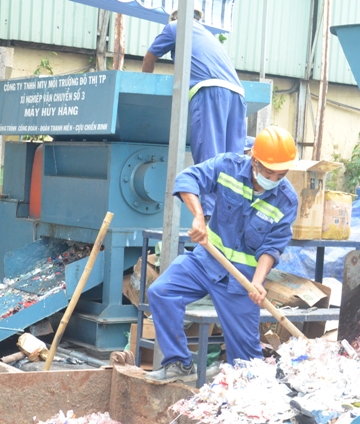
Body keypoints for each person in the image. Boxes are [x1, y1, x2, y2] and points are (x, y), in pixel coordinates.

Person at [145, 126, 299, 384]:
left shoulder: (286, 200)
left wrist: (258, 282)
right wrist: (197, 217)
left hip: (240, 282)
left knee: (247, 365)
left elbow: (272, 246)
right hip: (205, 262)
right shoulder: (227, 166)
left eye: (281, 174)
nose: (274, 178)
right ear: (255, 161)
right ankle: (178, 364)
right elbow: (188, 179)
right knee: (161, 291)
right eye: (269, 172)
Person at [142, 0, 247, 218]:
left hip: (210, 92)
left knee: (210, 153)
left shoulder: (175, 27)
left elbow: (150, 56)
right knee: (233, 158)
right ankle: (233, 213)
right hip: (237, 93)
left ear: (175, 18)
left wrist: (144, 82)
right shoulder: (209, 36)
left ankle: (208, 215)